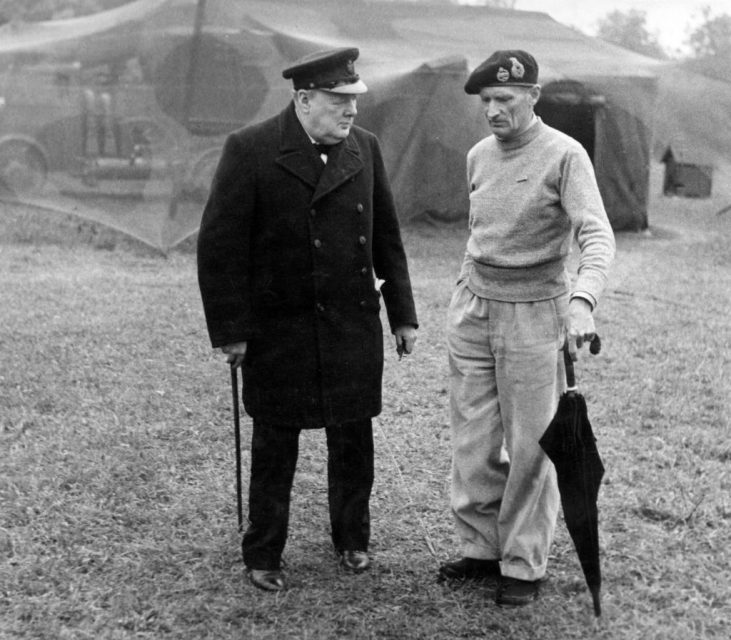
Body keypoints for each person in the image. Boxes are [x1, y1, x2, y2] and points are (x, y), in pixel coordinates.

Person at [197, 47, 418, 592]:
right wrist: (231, 330)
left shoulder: (364, 149)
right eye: (339, 101)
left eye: (354, 101)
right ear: (303, 100)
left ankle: (352, 540)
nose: (351, 113)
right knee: (276, 441)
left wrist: (403, 316)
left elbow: (387, 237)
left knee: (353, 437)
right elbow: (220, 248)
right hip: (280, 329)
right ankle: (264, 551)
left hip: (350, 322)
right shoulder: (250, 149)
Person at [439, 50, 615, 606]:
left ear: (533, 97)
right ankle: (480, 548)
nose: (492, 110)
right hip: (473, 307)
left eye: (504, 100)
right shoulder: (477, 156)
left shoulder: (566, 155)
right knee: (472, 439)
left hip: (535, 313)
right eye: (486, 101)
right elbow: (482, 230)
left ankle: (521, 563)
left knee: (532, 445)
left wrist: (582, 302)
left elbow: (597, 236)